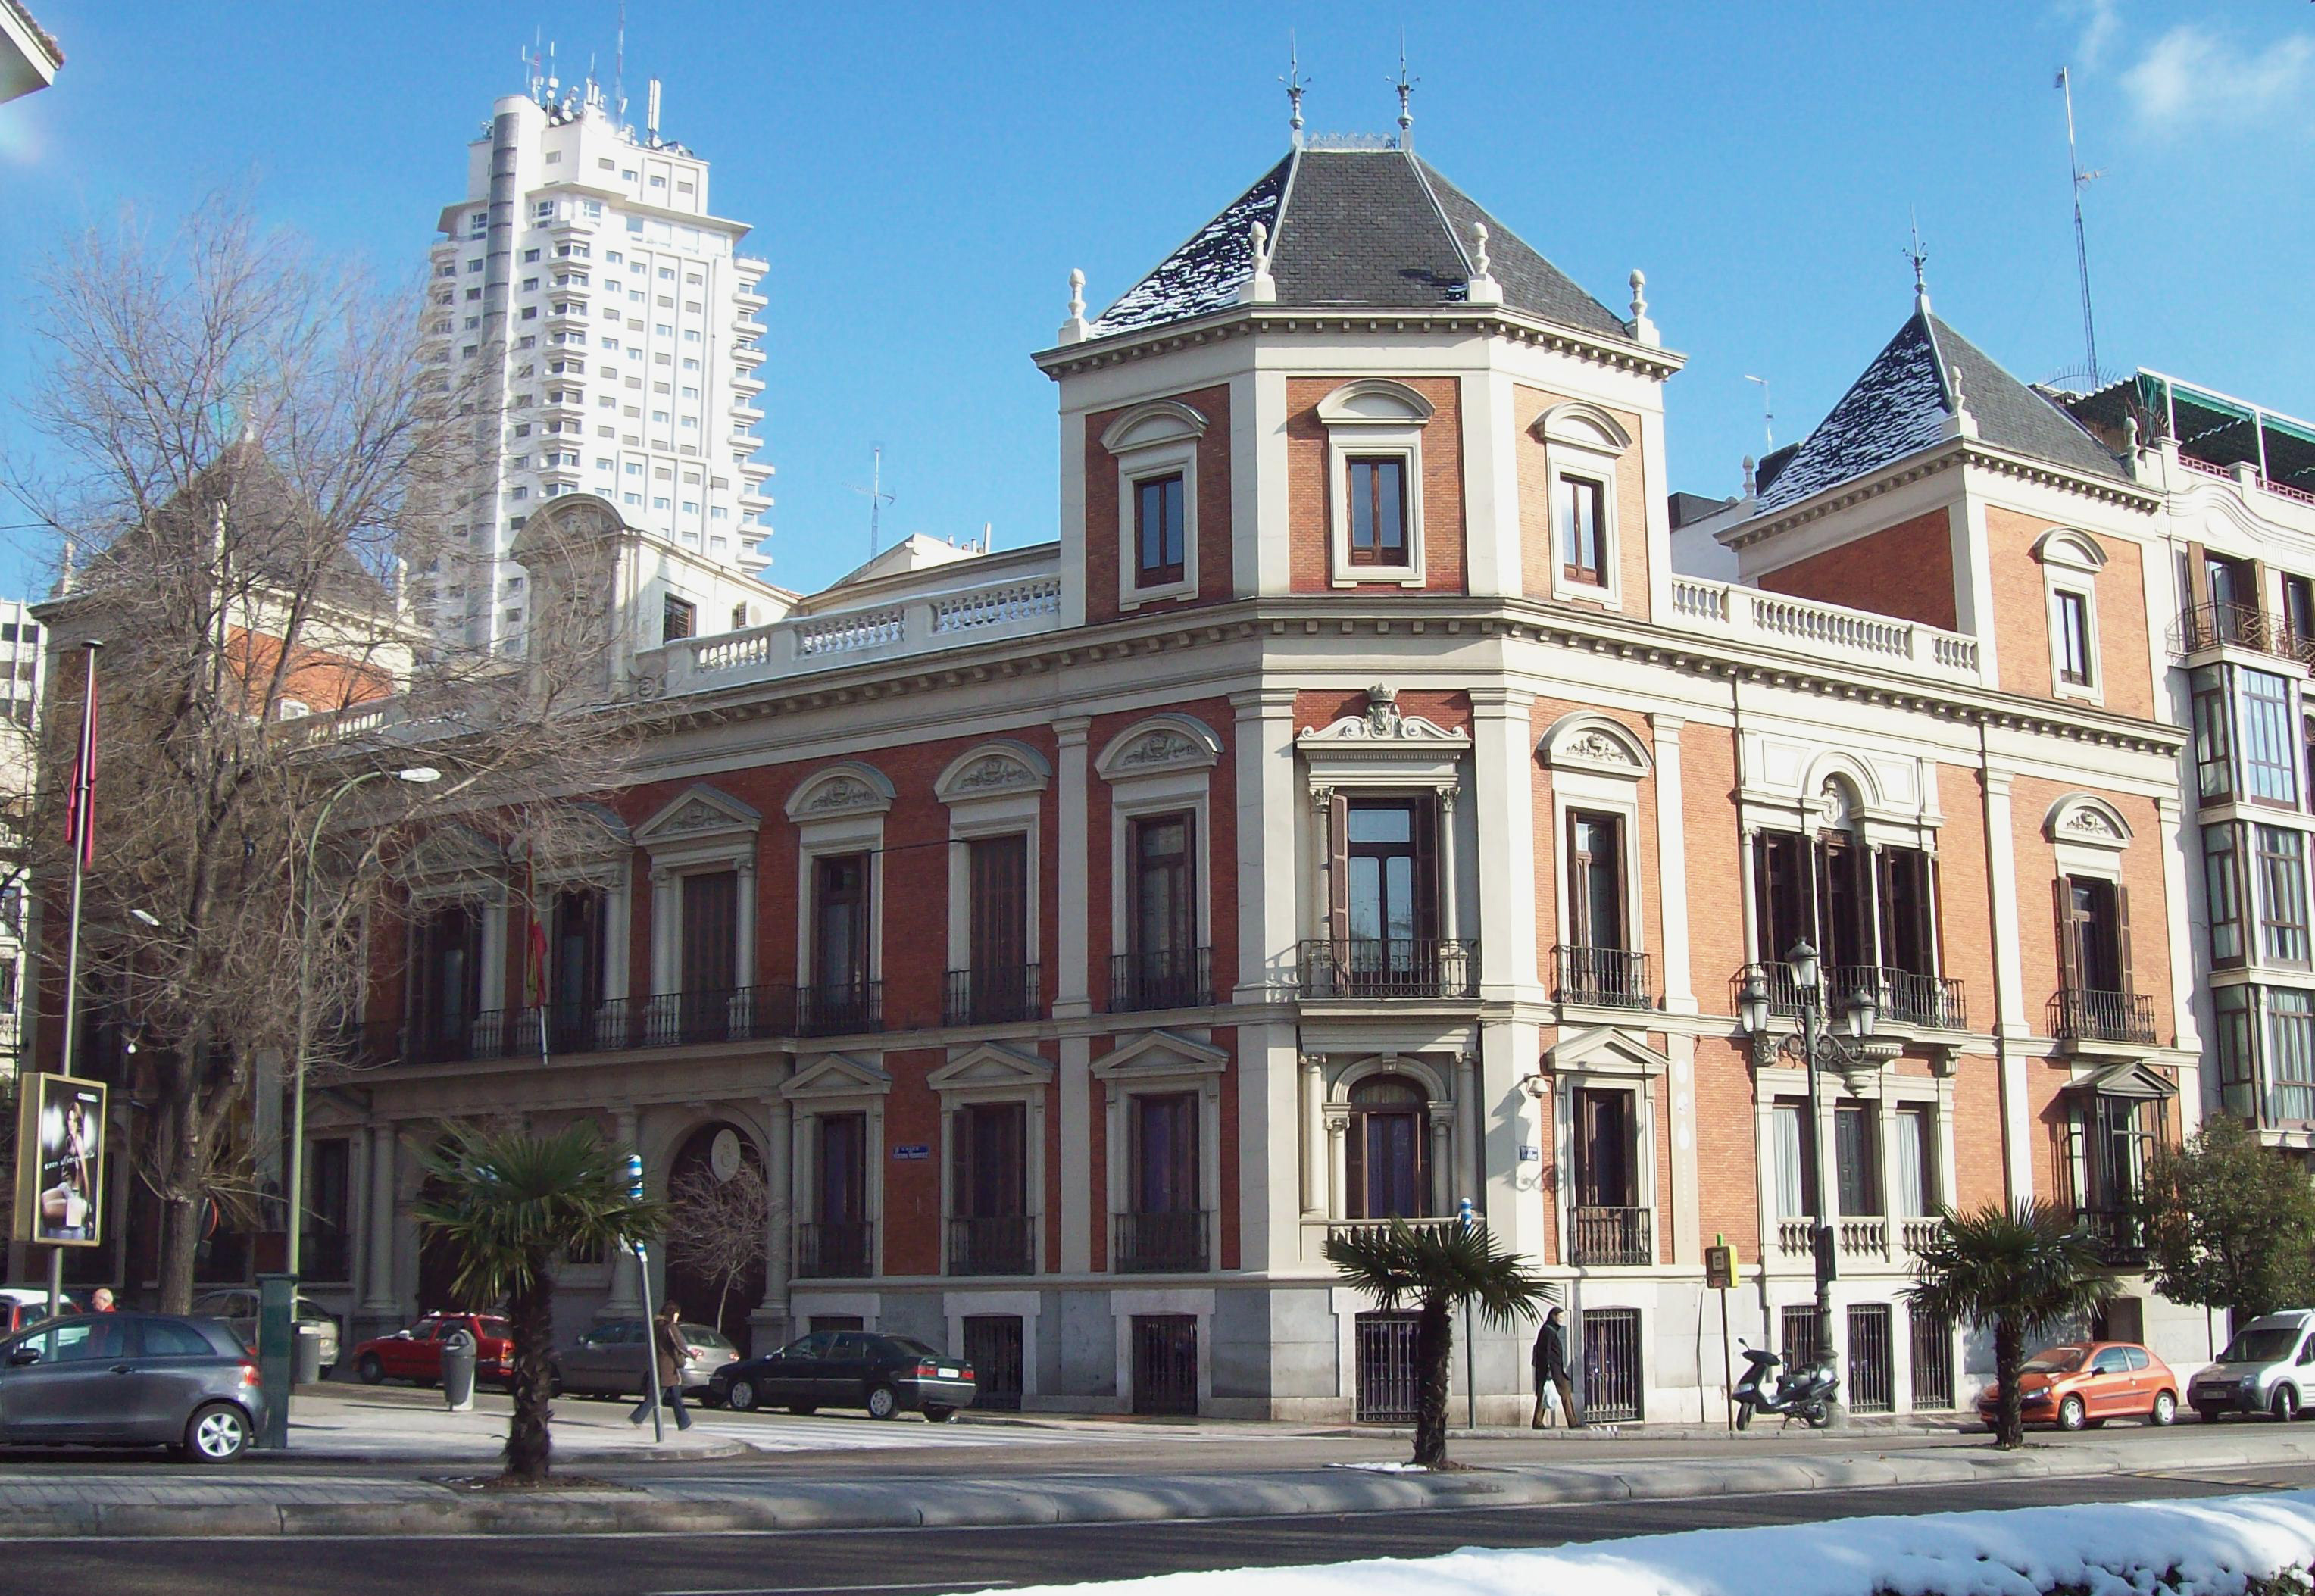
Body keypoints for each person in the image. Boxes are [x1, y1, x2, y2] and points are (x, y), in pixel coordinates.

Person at [630, 1304, 695, 1432]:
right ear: (673, 1314)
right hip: (668, 1366)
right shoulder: (669, 1327)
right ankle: (638, 1417)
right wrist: (692, 1354)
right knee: (657, 1395)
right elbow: (679, 1344)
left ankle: (684, 1423)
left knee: (675, 1396)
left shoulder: (656, 1325)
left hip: (661, 1363)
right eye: (677, 1314)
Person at [1532, 1307, 1581, 1430]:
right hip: (1550, 1369)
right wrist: (1548, 1368)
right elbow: (1545, 1351)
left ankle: (1539, 1421)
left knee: (1553, 1393)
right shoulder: (1548, 1331)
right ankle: (1570, 1421)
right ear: (1553, 1316)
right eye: (1559, 1316)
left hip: (1555, 1369)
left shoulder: (1551, 1330)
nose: (1561, 1319)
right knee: (1552, 1393)